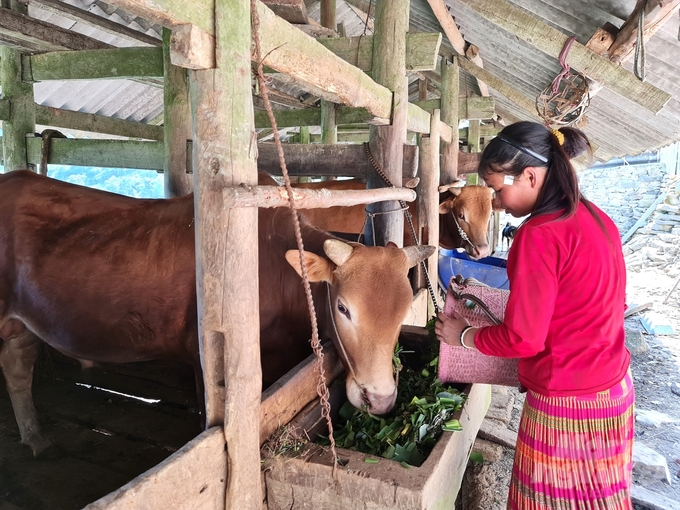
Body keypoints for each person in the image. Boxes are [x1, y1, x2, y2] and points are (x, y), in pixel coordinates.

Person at [435, 121, 634, 509]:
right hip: (614, 389)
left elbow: (524, 340)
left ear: (529, 176)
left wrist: (462, 334)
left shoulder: (539, 235)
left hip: (567, 403)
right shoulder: (597, 218)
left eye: (497, 189)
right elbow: (598, 304)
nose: (497, 202)